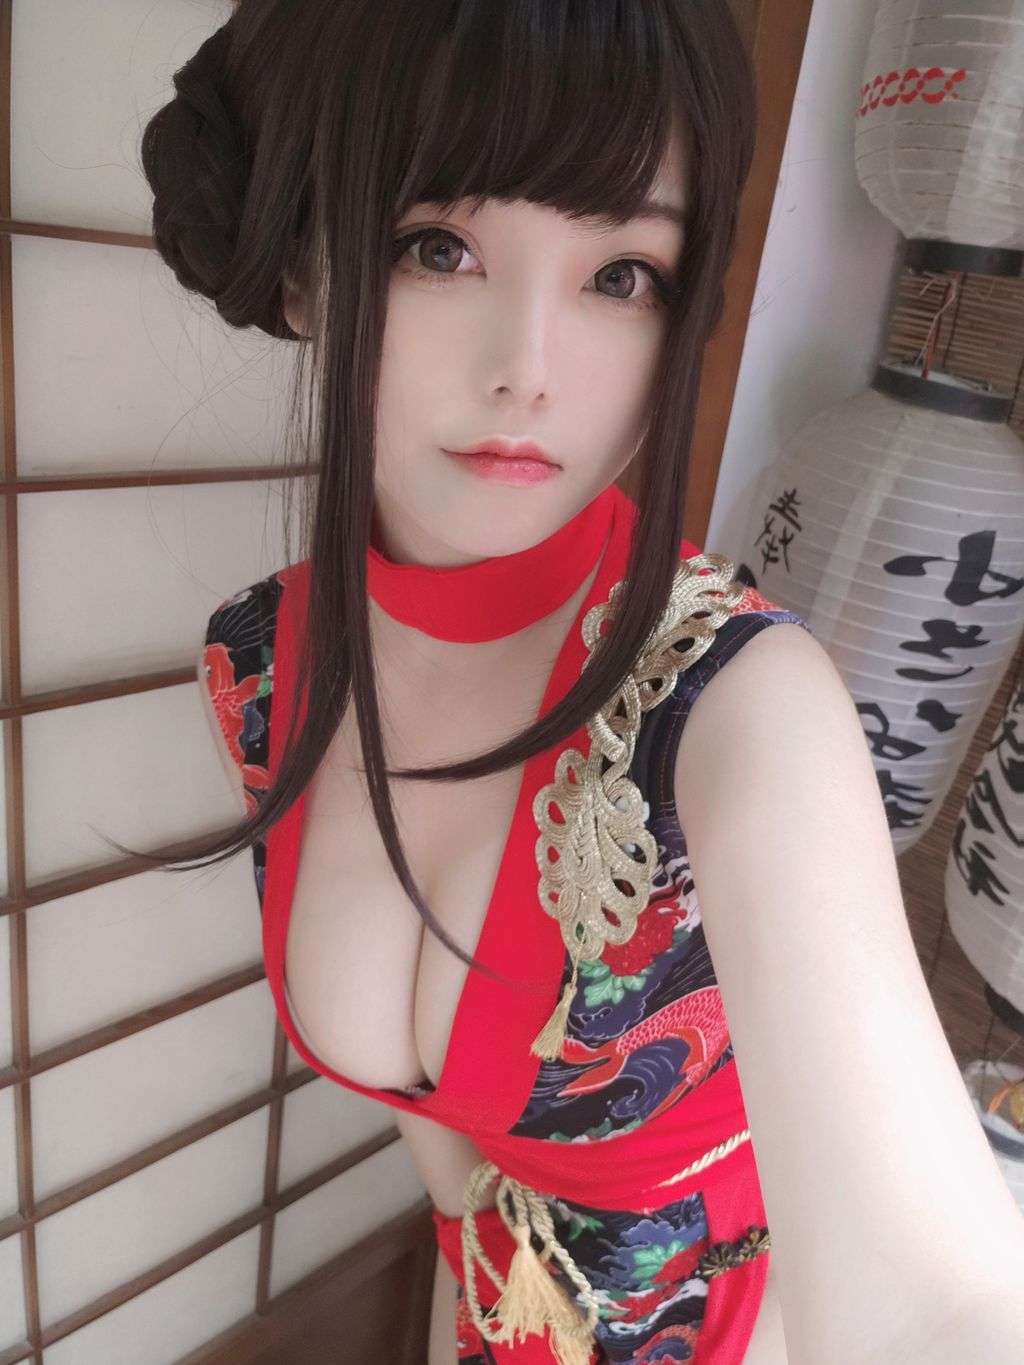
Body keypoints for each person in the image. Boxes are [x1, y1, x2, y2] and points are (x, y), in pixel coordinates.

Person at [133, 2, 1024, 1361]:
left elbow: (944, 1303)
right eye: (438, 248)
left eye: (622, 275)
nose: (529, 373)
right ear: (303, 272)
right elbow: (454, 1150)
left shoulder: (741, 708)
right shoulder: (256, 668)